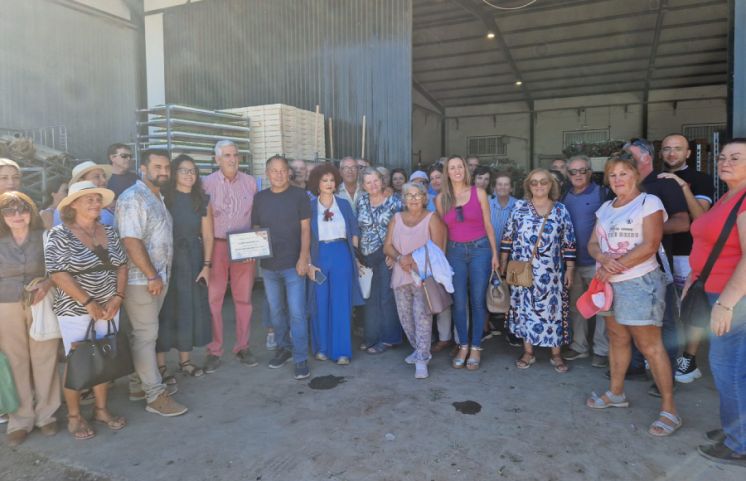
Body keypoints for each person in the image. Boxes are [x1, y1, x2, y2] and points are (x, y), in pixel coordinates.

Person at [585, 155, 680, 437]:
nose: (617, 179)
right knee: (617, 337)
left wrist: (614, 265)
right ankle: (616, 393)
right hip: (608, 284)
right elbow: (592, 242)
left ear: (635, 175)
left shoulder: (648, 202)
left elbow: (651, 244)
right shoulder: (606, 207)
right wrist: (602, 257)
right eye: (612, 175)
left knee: (650, 345)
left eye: (623, 173)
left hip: (640, 283)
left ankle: (670, 409)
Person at [46, 182, 128, 439]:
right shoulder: (59, 234)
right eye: (87, 199)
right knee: (79, 361)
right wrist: (88, 302)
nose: (95, 203)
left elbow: (122, 266)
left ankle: (101, 410)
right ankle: (74, 416)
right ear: (72, 205)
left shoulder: (110, 231)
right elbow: (58, 274)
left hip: (109, 307)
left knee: (103, 356)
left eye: (97, 198)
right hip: (75, 308)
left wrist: (118, 297)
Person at [116, 149, 187, 416]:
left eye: (167, 167)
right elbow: (131, 241)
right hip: (141, 280)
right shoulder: (134, 197)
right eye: (158, 167)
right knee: (146, 336)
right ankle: (155, 395)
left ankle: (137, 385)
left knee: (144, 335)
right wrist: (151, 275)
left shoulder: (155, 196)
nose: (164, 172)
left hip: (156, 278)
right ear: (143, 169)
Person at [690, 138, 746, 464]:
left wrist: (726, 303)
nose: (725, 162)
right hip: (716, 290)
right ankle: (735, 430)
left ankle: (739, 445)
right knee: (733, 367)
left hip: (733, 299)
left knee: (728, 369)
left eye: (736, 158)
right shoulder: (729, 196)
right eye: (723, 157)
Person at [624, 138, 689, 394]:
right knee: (632, 319)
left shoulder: (664, 185)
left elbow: (683, 223)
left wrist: (644, 231)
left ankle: (667, 376)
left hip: (657, 267)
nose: (626, 164)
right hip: (627, 267)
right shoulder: (625, 187)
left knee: (666, 322)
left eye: (631, 158)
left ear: (647, 157)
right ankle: (637, 365)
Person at [0, 191, 60, 446]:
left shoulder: (44, 237)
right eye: (9, 211)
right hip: (6, 304)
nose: (16, 215)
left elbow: (58, 269)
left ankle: (47, 415)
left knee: (45, 356)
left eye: (22, 209)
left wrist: (47, 283)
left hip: (40, 303)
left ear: (31, 212)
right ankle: (20, 420)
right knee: (16, 361)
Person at [501, 169, 576, 373]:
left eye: (543, 182)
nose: (539, 185)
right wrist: (503, 261)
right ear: (528, 186)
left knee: (553, 312)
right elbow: (508, 236)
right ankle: (528, 352)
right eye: (534, 182)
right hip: (523, 272)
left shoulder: (561, 210)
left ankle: (556, 354)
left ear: (551, 184)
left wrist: (570, 268)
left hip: (551, 274)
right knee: (525, 310)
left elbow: (568, 241)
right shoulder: (519, 207)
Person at [656, 134, 714, 384]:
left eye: (677, 149)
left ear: (688, 153)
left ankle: (689, 359)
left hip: (689, 254)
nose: (671, 153)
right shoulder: (654, 180)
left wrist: (681, 185)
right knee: (665, 309)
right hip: (660, 254)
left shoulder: (701, 180)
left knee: (692, 308)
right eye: (667, 149)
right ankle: (664, 354)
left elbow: (701, 217)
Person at [251, 156, 312, 379]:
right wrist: (252, 251)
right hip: (268, 266)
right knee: (276, 312)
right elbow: (255, 227)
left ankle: (300, 358)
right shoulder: (260, 198)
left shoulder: (299, 196)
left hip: (294, 264)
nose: (278, 175)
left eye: (282, 170)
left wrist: (303, 258)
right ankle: (283, 348)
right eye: (273, 171)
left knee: (297, 313)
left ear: (289, 173)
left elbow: (306, 229)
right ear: (267, 173)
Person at [436, 155, 499, 370]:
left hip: (480, 249)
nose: (456, 171)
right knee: (459, 301)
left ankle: (476, 347)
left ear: (465, 169)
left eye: (460, 166)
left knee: (478, 301)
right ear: (447, 172)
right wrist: (439, 258)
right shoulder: (441, 199)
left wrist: (495, 254)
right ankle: (463, 344)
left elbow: (489, 225)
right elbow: (441, 231)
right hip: (454, 252)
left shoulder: (478, 193)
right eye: (452, 167)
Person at [201, 140, 258, 372]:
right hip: (216, 245)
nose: (232, 159)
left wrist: (254, 245)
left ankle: (243, 346)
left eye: (235, 154)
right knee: (214, 299)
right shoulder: (206, 184)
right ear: (217, 159)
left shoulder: (251, 183)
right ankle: (214, 349)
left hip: (243, 246)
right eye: (226, 155)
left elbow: (257, 217)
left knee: (243, 298)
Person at [156, 155, 213, 379]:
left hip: (193, 260)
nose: (189, 175)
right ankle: (160, 366)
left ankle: (185, 361)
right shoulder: (164, 197)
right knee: (165, 311)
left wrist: (207, 265)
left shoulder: (202, 199)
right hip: (168, 259)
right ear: (174, 173)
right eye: (183, 170)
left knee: (189, 309)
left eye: (193, 171)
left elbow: (208, 235)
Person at [384, 182, 447, 378]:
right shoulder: (396, 218)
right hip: (401, 273)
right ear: (403, 199)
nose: (413, 199)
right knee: (406, 318)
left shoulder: (432, 218)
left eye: (417, 195)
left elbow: (438, 250)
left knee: (422, 317)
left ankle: (421, 359)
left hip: (423, 276)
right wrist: (400, 257)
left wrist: (411, 257)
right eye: (409, 195)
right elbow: (387, 246)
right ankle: (420, 350)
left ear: (424, 198)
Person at [307, 164, 364, 365]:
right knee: (320, 302)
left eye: (332, 180)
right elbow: (304, 236)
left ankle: (342, 351)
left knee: (341, 303)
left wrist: (355, 256)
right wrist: (307, 263)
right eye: (324, 180)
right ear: (317, 183)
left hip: (342, 255)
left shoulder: (344, 204)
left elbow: (354, 229)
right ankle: (322, 348)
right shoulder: (310, 206)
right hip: (319, 256)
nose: (329, 184)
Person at [561, 155, 610, 367]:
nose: (578, 175)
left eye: (582, 171)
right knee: (575, 306)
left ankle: (602, 349)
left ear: (590, 172)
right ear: (568, 174)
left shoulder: (602, 193)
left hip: (597, 262)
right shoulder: (564, 197)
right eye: (573, 172)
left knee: (602, 307)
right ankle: (579, 346)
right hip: (572, 263)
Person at [356, 167, 402, 353]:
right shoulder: (362, 201)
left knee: (386, 297)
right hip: (366, 256)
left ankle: (389, 338)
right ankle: (372, 336)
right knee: (370, 298)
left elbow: (402, 228)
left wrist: (395, 253)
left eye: (376, 181)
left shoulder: (394, 202)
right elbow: (358, 229)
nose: (373, 185)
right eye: (368, 182)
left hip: (386, 254)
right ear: (363, 186)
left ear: (382, 181)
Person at [489, 172, 519, 346]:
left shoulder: (519, 205)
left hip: (513, 257)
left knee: (513, 294)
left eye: (506, 184)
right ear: (494, 187)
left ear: (512, 187)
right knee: (492, 291)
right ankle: (487, 326)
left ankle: (512, 330)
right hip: (491, 254)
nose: (502, 187)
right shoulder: (487, 204)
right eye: (499, 184)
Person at [54, 161, 114, 227]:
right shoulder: (64, 211)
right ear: (81, 181)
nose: (104, 180)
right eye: (97, 177)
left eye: (104, 176)